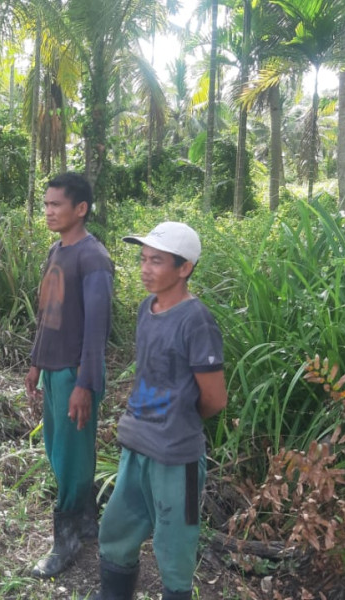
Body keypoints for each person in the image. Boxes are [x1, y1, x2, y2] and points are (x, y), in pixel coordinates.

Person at [94, 222, 227, 600]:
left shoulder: (196, 321)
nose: (146, 268)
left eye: (157, 261)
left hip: (175, 455)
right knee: (117, 531)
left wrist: (177, 420)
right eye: (143, 259)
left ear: (184, 268)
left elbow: (215, 398)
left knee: (174, 548)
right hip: (137, 444)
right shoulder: (145, 309)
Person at [25, 172, 114, 577]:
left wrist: (84, 383)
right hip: (52, 369)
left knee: (72, 456)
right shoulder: (55, 251)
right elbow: (46, 315)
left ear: (80, 209)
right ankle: (86, 523)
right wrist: (34, 362)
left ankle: (67, 541)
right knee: (60, 453)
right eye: (45, 204)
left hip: (75, 374)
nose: (48, 211)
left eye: (56, 204)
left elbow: (97, 329)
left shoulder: (92, 258)